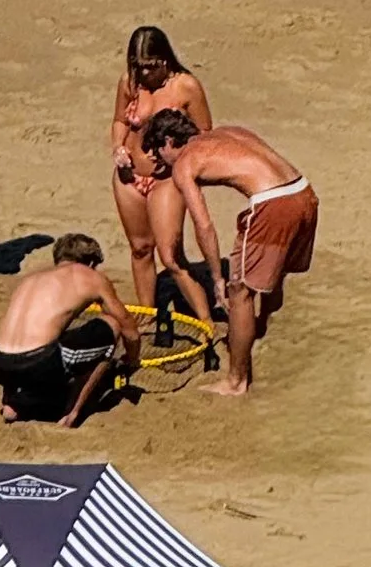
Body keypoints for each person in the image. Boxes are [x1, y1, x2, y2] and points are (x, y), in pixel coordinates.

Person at [135, 107, 317, 397]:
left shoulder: (185, 163)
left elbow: (204, 225)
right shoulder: (228, 132)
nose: (160, 163)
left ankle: (236, 381)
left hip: (273, 204)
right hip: (303, 193)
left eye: (158, 153)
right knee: (275, 272)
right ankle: (260, 326)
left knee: (239, 291)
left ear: (169, 141)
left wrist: (217, 279)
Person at [107, 24, 215, 322]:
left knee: (170, 254)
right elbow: (119, 120)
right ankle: (148, 312)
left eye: (150, 67)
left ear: (164, 60)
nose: (143, 75)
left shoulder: (186, 87)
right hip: (129, 176)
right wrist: (118, 146)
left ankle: (205, 319)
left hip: (166, 179)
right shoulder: (129, 83)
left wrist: (177, 160)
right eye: (138, 67)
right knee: (141, 249)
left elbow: (204, 134)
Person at [0, 235, 140, 426]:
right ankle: (71, 414)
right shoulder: (91, 277)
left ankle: (11, 405)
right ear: (90, 262)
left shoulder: (30, 279)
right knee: (111, 325)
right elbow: (128, 327)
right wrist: (132, 360)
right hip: (38, 364)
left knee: (23, 336)